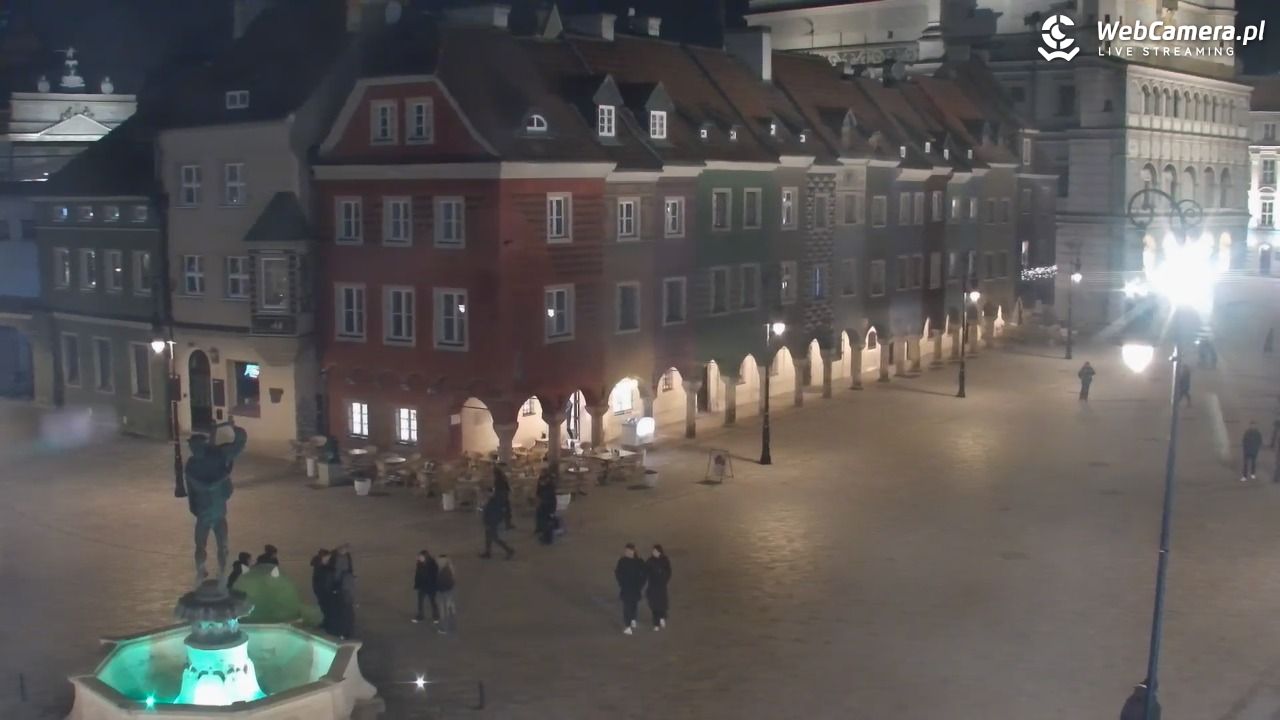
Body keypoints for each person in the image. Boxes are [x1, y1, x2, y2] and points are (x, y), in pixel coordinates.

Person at [184, 417, 247, 586]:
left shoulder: (192, 465)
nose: (192, 449)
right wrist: (237, 430)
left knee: (206, 546)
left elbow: (194, 487)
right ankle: (215, 571)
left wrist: (236, 430)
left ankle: (206, 571)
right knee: (217, 545)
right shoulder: (217, 456)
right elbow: (238, 445)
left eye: (193, 446)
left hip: (207, 513)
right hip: (216, 511)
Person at [615, 543, 648, 635]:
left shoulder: (638, 562)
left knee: (631, 605)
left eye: (628, 551)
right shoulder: (623, 561)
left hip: (632, 587)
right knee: (630, 605)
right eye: (626, 551)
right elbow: (618, 573)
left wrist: (640, 584)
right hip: (629, 588)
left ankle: (629, 625)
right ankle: (631, 622)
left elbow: (644, 574)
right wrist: (621, 583)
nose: (627, 552)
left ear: (633, 551)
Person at [330, 545, 356, 639]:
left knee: (346, 611)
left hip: (344, 585)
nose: (345, 550)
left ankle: (345, 631)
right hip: (340, 585)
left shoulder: (347, 556)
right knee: (344, 611)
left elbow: (350, 567)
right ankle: (344, 631)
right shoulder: (334, 557)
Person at [645, 544, 672, 631]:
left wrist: (663, 576)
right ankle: (656, 624)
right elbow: (646, 571)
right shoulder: (650, 561)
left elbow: (668, 572)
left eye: (655, 551)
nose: (653, 552)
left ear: (659, 552)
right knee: (654, 606)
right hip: (653, 587)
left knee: (661, 605)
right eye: (653, 551)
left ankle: (662, 618)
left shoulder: (664, 560)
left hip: (661, 587)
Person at [480, 492, 515, 560]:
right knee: (488, 537)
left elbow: (494, 513)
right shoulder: (494, 501)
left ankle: (509, 550)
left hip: (492, 522)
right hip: (491, 522)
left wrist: (489, 523)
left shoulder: (495, 502)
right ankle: (488, 552)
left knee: (494, 538)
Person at [412, 550, 439, 624]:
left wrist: (434, 586)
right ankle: (420, 616)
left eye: (421, 557)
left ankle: (436, 617)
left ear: (425, 557)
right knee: (420, 602)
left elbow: (435, 576)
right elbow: (418, 574)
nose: (419, 558)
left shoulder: (432, 564)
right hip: (422, 586)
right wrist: (417, 584)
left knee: (432, 602)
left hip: (430, 587)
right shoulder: (419, 564)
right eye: (419, 556)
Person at [310, 549, 333, 630]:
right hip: (322, 589)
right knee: (325, 606)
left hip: (320, 589)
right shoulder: (321, 566)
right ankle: (327, 622)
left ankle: (326, 621)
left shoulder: (319, 564)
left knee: (324, 606)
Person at [535, 470, 558, 545]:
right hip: (543, 504)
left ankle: (548, 539)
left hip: (549, 505)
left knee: (548, 522)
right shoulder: (542, 482)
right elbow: (538, 492)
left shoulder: (550, 486)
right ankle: (541, 531)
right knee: (542, 519)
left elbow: (551, 497)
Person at [436, 555, 457, 634]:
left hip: (442, 591)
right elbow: (453, 579)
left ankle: (444, 628)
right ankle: (452, 624)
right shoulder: (449, 568)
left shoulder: (439, 570)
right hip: (450, 590)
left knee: (443, 611)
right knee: (450, 607)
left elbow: (437, 581)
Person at [493, 464, 515, 530]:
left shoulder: (497, 478)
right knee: (506, 508)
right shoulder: (501, 477)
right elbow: (505, 485)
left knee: (500, 508)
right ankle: (507, 524)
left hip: (499, 493)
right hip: (503, 493)